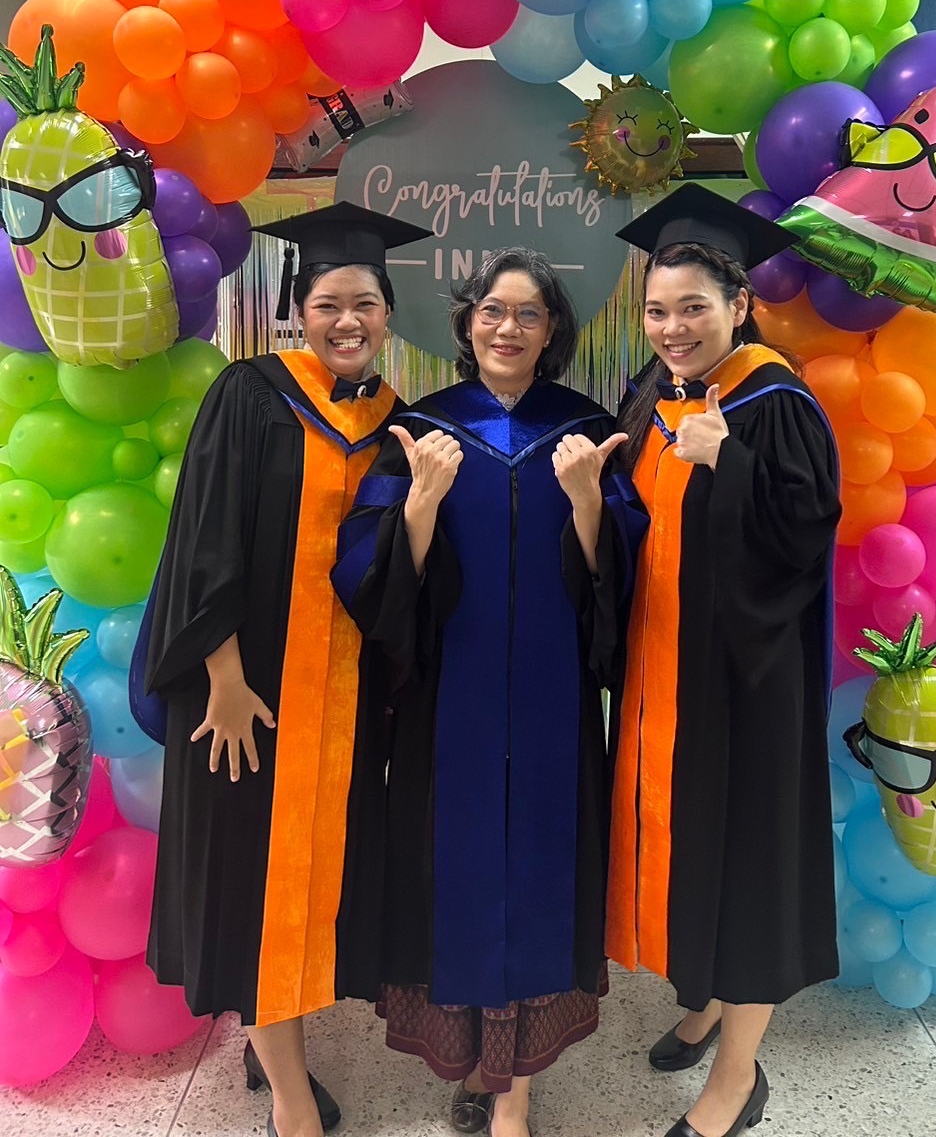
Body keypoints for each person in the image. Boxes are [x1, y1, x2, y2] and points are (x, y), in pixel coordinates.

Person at [138, 202, 432, 1137]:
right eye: (329, 302)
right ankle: (292, 1097)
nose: (348, 321)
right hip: (246, 691)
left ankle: (276, 1044)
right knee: (252, 881)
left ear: (388, 315)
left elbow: (395, 572)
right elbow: (204, 539)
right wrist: (222, 677)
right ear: (298, 310)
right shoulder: (250, 393)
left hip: (342, 703)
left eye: (366, 304)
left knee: (310, 880)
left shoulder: (398, 425)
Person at [331, 247, 632, 1137]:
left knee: (539, 872)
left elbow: (626, 572)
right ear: (467, 322)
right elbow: (365, 570)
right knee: (452, 876)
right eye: (493, 310)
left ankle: (516, 1094)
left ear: (552, 330)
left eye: (529, 313)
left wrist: (588, 501)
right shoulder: (421, 429)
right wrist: (419, 504)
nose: (508, 327)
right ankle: (469, 1058)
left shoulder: (586, 428)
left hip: (552, 703)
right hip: (446, 703)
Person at [608, 184, 842, 1137]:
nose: (673, 327)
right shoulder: (655, 397)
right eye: (658, 309)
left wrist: (727, 460)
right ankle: (705, 1002)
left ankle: (738, 1078)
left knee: (745, 867)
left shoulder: (772, 402)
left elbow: (806, 535)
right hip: (669, 676)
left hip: (748, 683)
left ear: (739, 304)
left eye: (694, 307)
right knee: (694, 850)